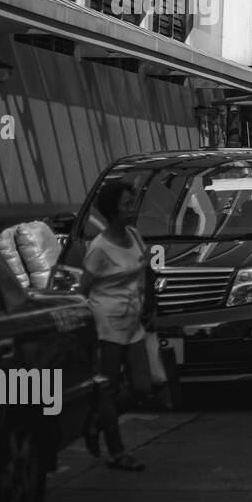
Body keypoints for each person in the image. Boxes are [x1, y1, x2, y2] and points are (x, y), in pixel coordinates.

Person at [79, 181, 148, 471]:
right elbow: (84, 289)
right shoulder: (99, 248)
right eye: (126, 204)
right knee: (107, 389)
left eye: (133, 202)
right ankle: (117, 452)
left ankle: (95, 422)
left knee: (143, 386)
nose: (132, 209)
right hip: (106, 324)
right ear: (112, 210)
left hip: (134, 323)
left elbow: (147, 270)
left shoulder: (134, 235)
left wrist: (150, 309)